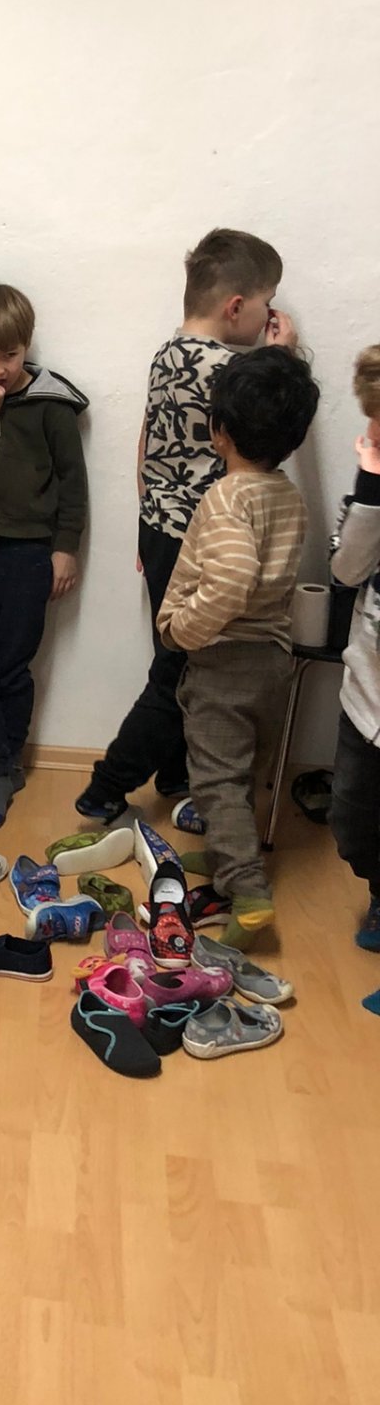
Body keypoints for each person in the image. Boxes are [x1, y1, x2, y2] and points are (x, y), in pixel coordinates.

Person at [76, 229, 297, 827]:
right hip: (204, 538)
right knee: (183, 672)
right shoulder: (231, 371)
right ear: (236, 306)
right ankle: (105, 787)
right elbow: (270, 426)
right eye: (267, 303)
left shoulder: (167, 354)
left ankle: (177, 775)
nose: (269, 315)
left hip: (160, 526)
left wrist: (147, 519)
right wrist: (283, 359)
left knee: (180, 663)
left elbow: (148, 441)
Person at [156, 346, 320, 950]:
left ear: (218, 430)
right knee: (245, 771)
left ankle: (248, 896)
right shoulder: (286, 494)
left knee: (217, 781)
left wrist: (183, 628)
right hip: (274, 659)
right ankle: (231, 855)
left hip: (224, 658)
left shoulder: (227, 497)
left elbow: (230, 581)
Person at [0, 281, 88, 831]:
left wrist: (65, 549)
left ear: (27, 345)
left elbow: (73, 483)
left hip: (28, 555)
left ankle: (5, 767)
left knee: (11, 668)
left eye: (9, 354)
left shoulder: (52, 404)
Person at [327, 345, 380, 954]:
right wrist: (370, 488)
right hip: (366, 693)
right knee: (350, 819)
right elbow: (346, 571)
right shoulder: (374, 491)